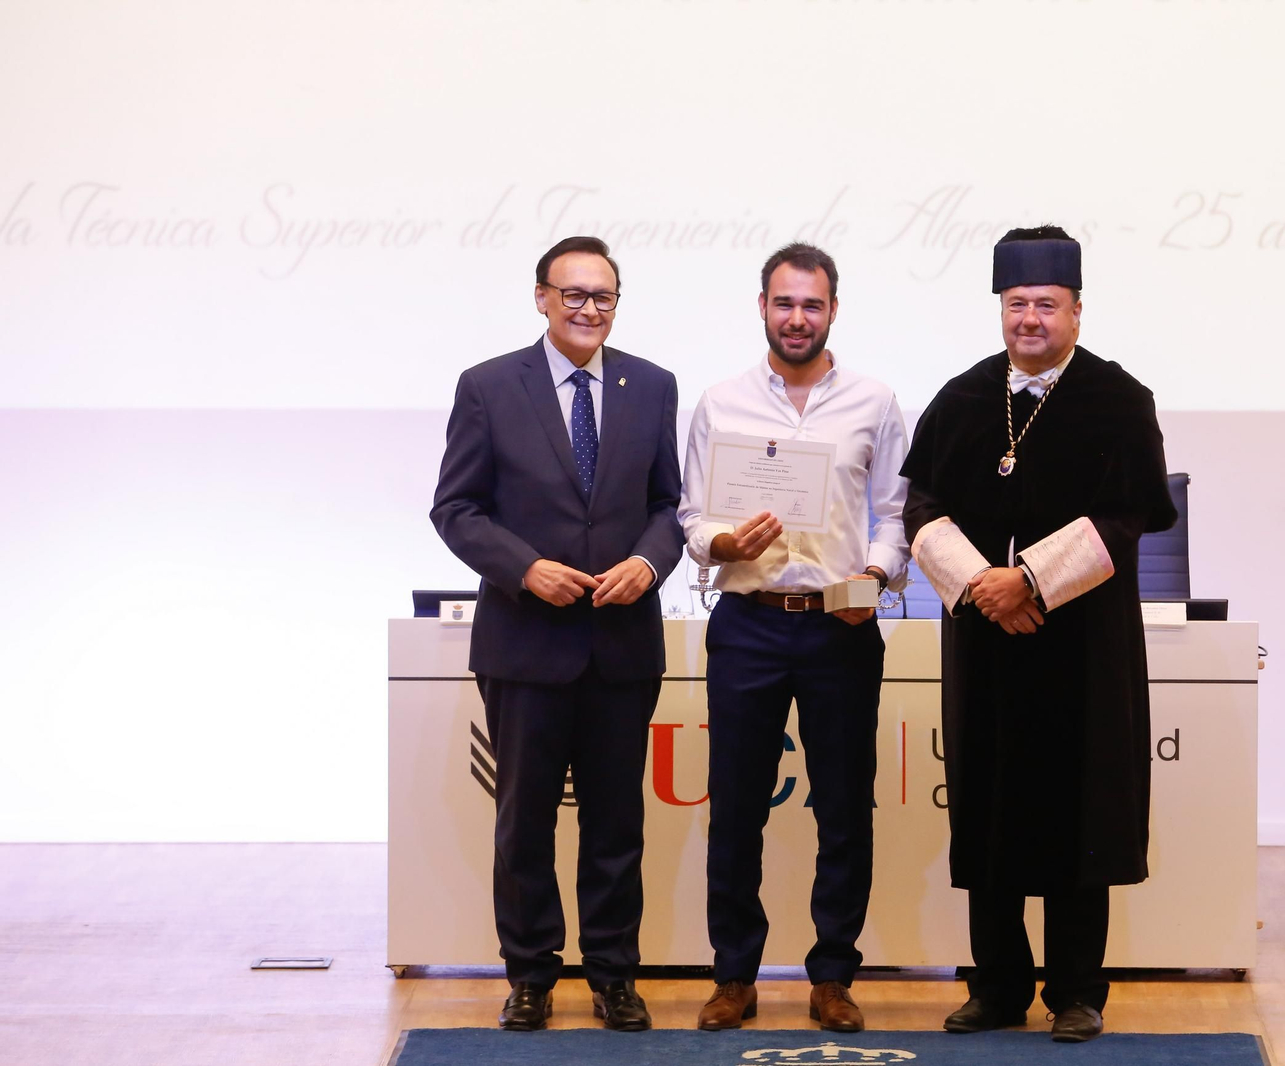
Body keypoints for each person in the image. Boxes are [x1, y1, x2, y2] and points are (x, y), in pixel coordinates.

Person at [899, 225, 1177, 1043]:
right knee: (988, 809)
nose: (1030, 319)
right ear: (1001, 309)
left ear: (1077, 311)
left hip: (1082, 647)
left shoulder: (1118, 401)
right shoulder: (962, 398)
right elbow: (919, 507)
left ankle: (1077, 991)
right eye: (1017, 304)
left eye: (1046, 305)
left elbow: (1132, 515)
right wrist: (984, 587)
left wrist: (1032, 582)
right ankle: (996, 986)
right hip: (987, 644)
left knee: (1078, 812)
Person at [430, 236, 684, 1032]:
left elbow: (668, 507)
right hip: (524, 642)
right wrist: (523, 568)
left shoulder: (652, 385)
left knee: (617, 824)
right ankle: (531, 974)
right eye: (572, 294)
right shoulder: (487, 386)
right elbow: (456, 508)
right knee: (524, 821)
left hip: (621, 642)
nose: (588, 310)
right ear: (541, 297)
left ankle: (614, 975)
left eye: (602, 296)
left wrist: (649, 563)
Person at [677, 242, 911, 1033]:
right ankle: (734, 976)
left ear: (834, 310)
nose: (797, 317)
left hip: (841, 628)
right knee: (738, 808)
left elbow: (897, 513)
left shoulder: (874, 402)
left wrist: (874, 578)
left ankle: (833, 974)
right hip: (747, 624)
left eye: (812, 304)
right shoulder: (720, 402)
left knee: (845, 808)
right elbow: (690, 516)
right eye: (784, 302)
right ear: (762, 307)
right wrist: (721, 545)